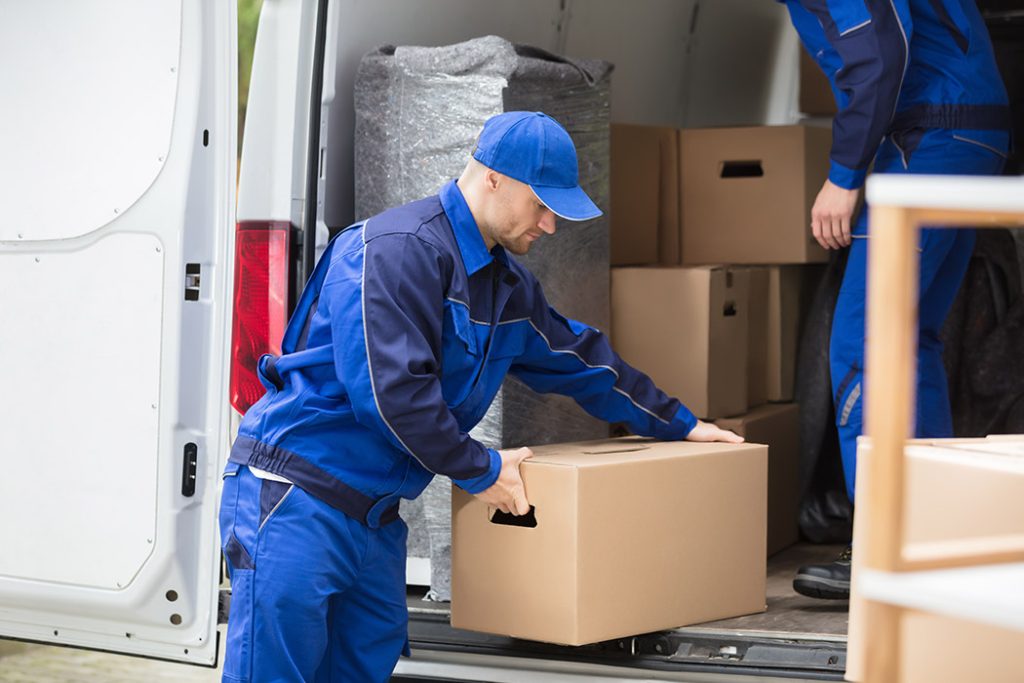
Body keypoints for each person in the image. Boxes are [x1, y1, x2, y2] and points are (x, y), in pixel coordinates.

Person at [218, 110, 742, 682]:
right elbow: (393, 396)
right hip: (298, 499)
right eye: (542, 205)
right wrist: (481, 469)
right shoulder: (395, 251)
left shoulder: (505, 287)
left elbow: (579, 359)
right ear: (492, 177)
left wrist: (678, 422)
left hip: (374, 518)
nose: (550, 226)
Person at [782, 0, 1010, 600]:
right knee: (910, 340)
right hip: (965, 132)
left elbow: (880, 51)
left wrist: (843, 174)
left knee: (867, 343)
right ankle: (934, 537)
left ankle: (886, 545)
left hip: (928, 134)